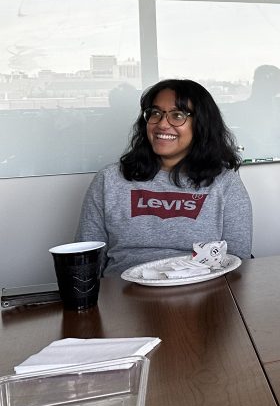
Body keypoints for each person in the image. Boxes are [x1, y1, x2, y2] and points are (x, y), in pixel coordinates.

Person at [76, 79, 253, 274]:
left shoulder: (225, 182)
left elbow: (236, 259)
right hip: (124, 292)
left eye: (177, 115)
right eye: (155, 113)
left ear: (201, 125)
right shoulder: (109, 180)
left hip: (201, 291)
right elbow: (86, 259)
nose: (162, 124)